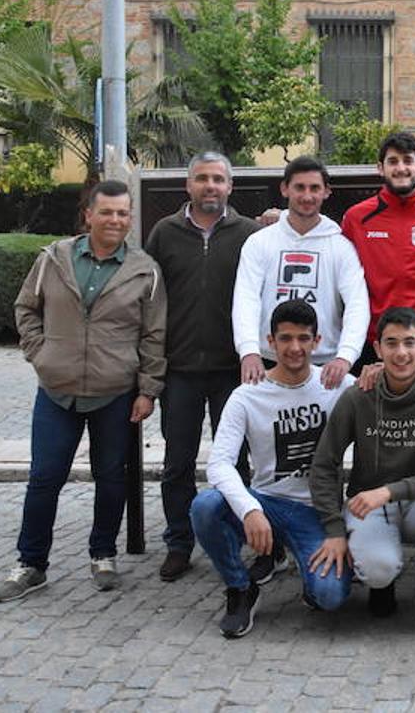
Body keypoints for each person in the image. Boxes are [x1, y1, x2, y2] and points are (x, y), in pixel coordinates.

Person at [0, 180, 166, 601]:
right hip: (57, 390)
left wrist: (148, 389)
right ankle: (31, 564)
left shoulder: (144, 270)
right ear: (88, 214)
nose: (115, 220)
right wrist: (40, 352)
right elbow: (26, 308)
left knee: (111, 479)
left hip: (115, 392)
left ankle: (103, 555)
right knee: (44, 478)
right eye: (106, 212)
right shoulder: (54, 260)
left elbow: (154, 335)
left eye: (123, 213)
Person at [189, 300, 354, 637]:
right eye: (286, 338)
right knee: (205, 506)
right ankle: (240, 588)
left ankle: (303, 571)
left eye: (303, 339)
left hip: (315, 511)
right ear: (270, 342)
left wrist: (374, 371)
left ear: (317, 341)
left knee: (330, 596)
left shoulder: (336, 384)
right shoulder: (247, 395)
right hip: (265, 500)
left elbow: (386, 390)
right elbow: (219, 463)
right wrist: (249, 509)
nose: (295, 348)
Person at [309, 307, 415, 645]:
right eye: (391, 343)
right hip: (370, 506)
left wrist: (389, 491)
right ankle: (383, 583)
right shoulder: (357, 396)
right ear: (377, 349)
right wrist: (334, 527)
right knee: (379, 572)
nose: (401, 353)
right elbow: (325, 464)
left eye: (409, 343)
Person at [143, 151, 259, 582]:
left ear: (230, 187)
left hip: (235, 370)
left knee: (237, 460)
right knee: (177, 461)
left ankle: (234, 536)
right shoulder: (165, 233)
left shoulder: (249, 234)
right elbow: (149, 297)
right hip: (181, 369)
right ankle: (178, 542)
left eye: (218, 180)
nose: (211, 186)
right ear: (188, 185)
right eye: (202, 179)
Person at [233, 156, 368, 390]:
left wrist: (345, 356)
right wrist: (248, 351)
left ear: (326, 192)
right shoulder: (259, 242)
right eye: (299, 187)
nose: (307, 196)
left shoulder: (341, 247)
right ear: (285, 189)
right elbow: (246, 299)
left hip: (326, 365)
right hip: (268, 361)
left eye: (315, 188)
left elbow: (358, 304)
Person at [341, 132, 415, 382]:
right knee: (373, 420)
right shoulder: (356, 218)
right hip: (375, 342)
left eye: (408, 160)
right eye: (393, 161)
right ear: (380, 168)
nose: (401, 168)